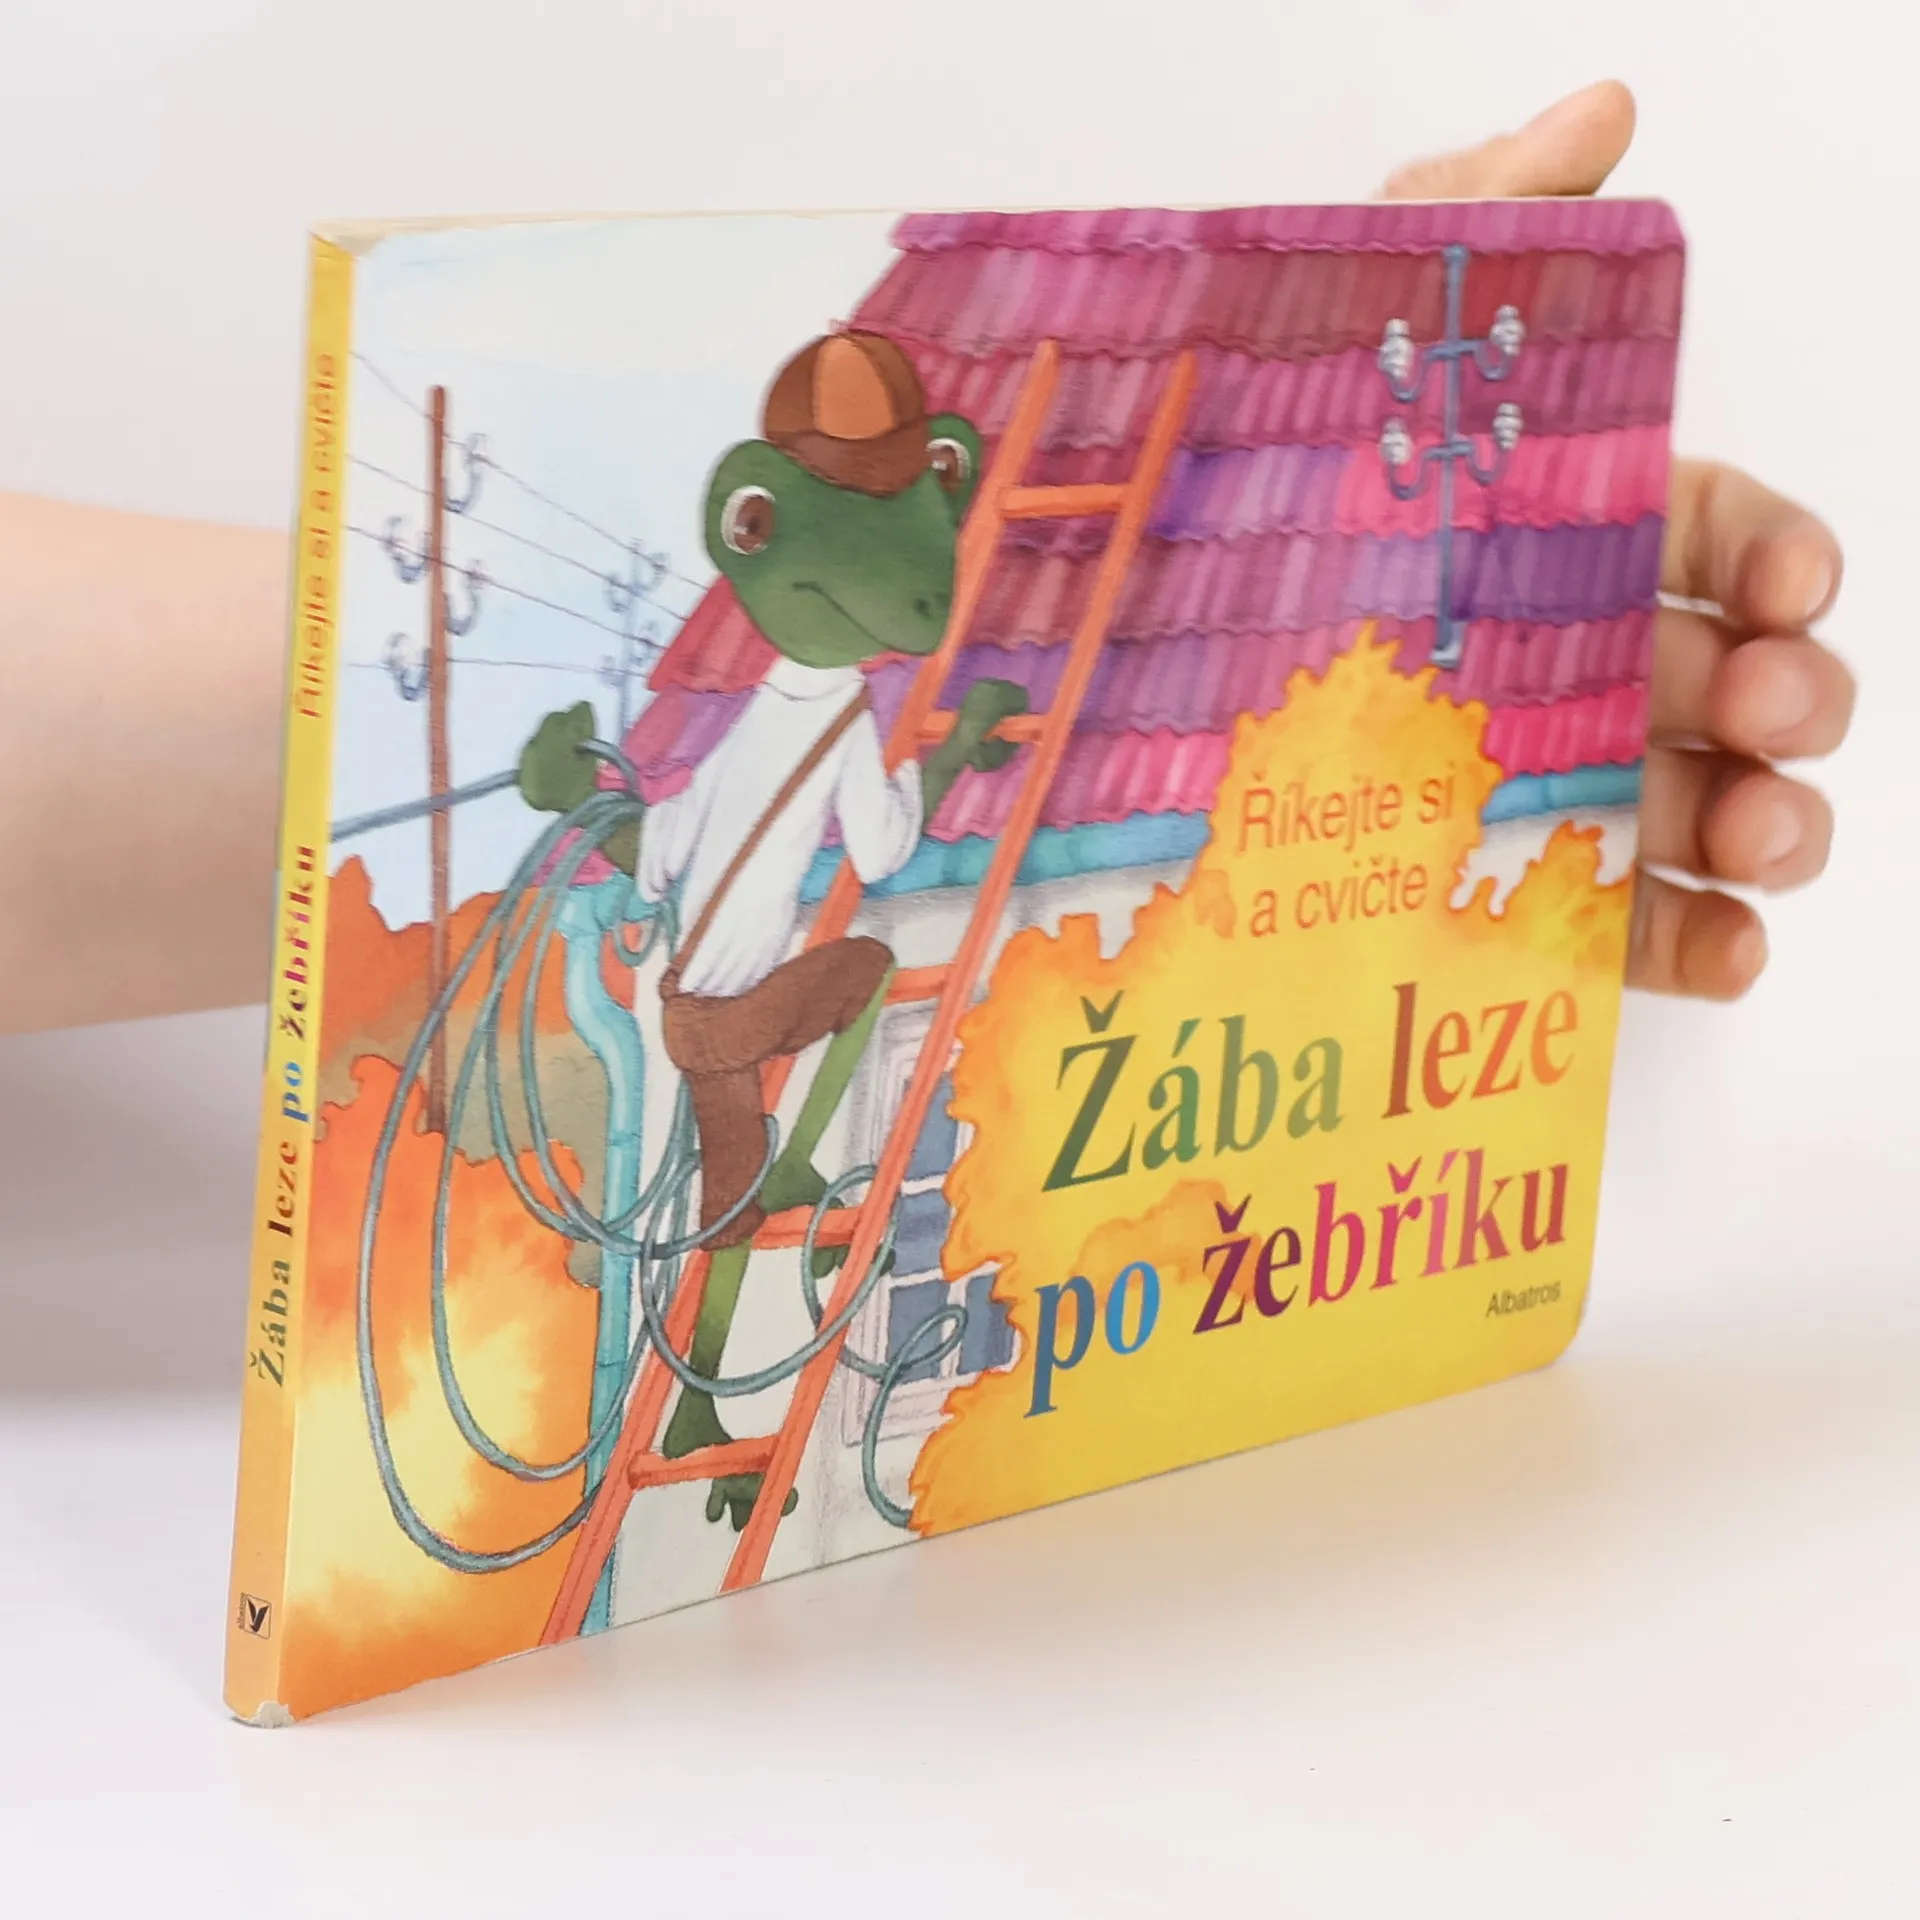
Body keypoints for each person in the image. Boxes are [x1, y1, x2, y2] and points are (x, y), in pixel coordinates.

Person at [0, 81, 1854, 1038]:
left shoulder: (787, 699)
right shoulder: (799, 712)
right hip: (720, 1010)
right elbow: (847, 844)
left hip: (699, 970)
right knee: (838, 1023)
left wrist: (1278, 410)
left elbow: (748, 825)